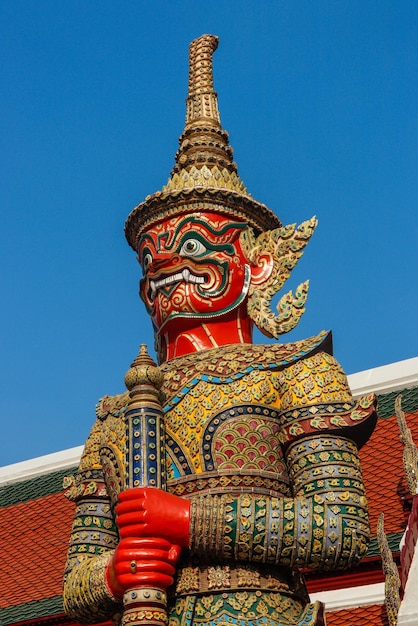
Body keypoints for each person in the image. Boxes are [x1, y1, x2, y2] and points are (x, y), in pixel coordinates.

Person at [63, 35, 377, 626]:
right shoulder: (114, 418)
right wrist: (114, 570)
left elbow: (344, 528)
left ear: (255, 262)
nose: (165, 267)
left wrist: (184, 521)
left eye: (193, 246)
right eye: (153, 255)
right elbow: (75, 583)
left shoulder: (299, 374)